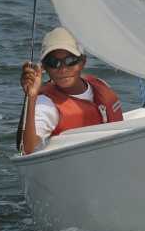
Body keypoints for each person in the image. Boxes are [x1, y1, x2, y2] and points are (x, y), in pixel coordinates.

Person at [19, 26, 123, 154]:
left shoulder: (101, 85)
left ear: (83, 62)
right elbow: (29, 149)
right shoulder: (45, 104)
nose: (63, 69)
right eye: (54, 63)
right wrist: (31, 97)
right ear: (44, 67)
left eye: (70, 61)